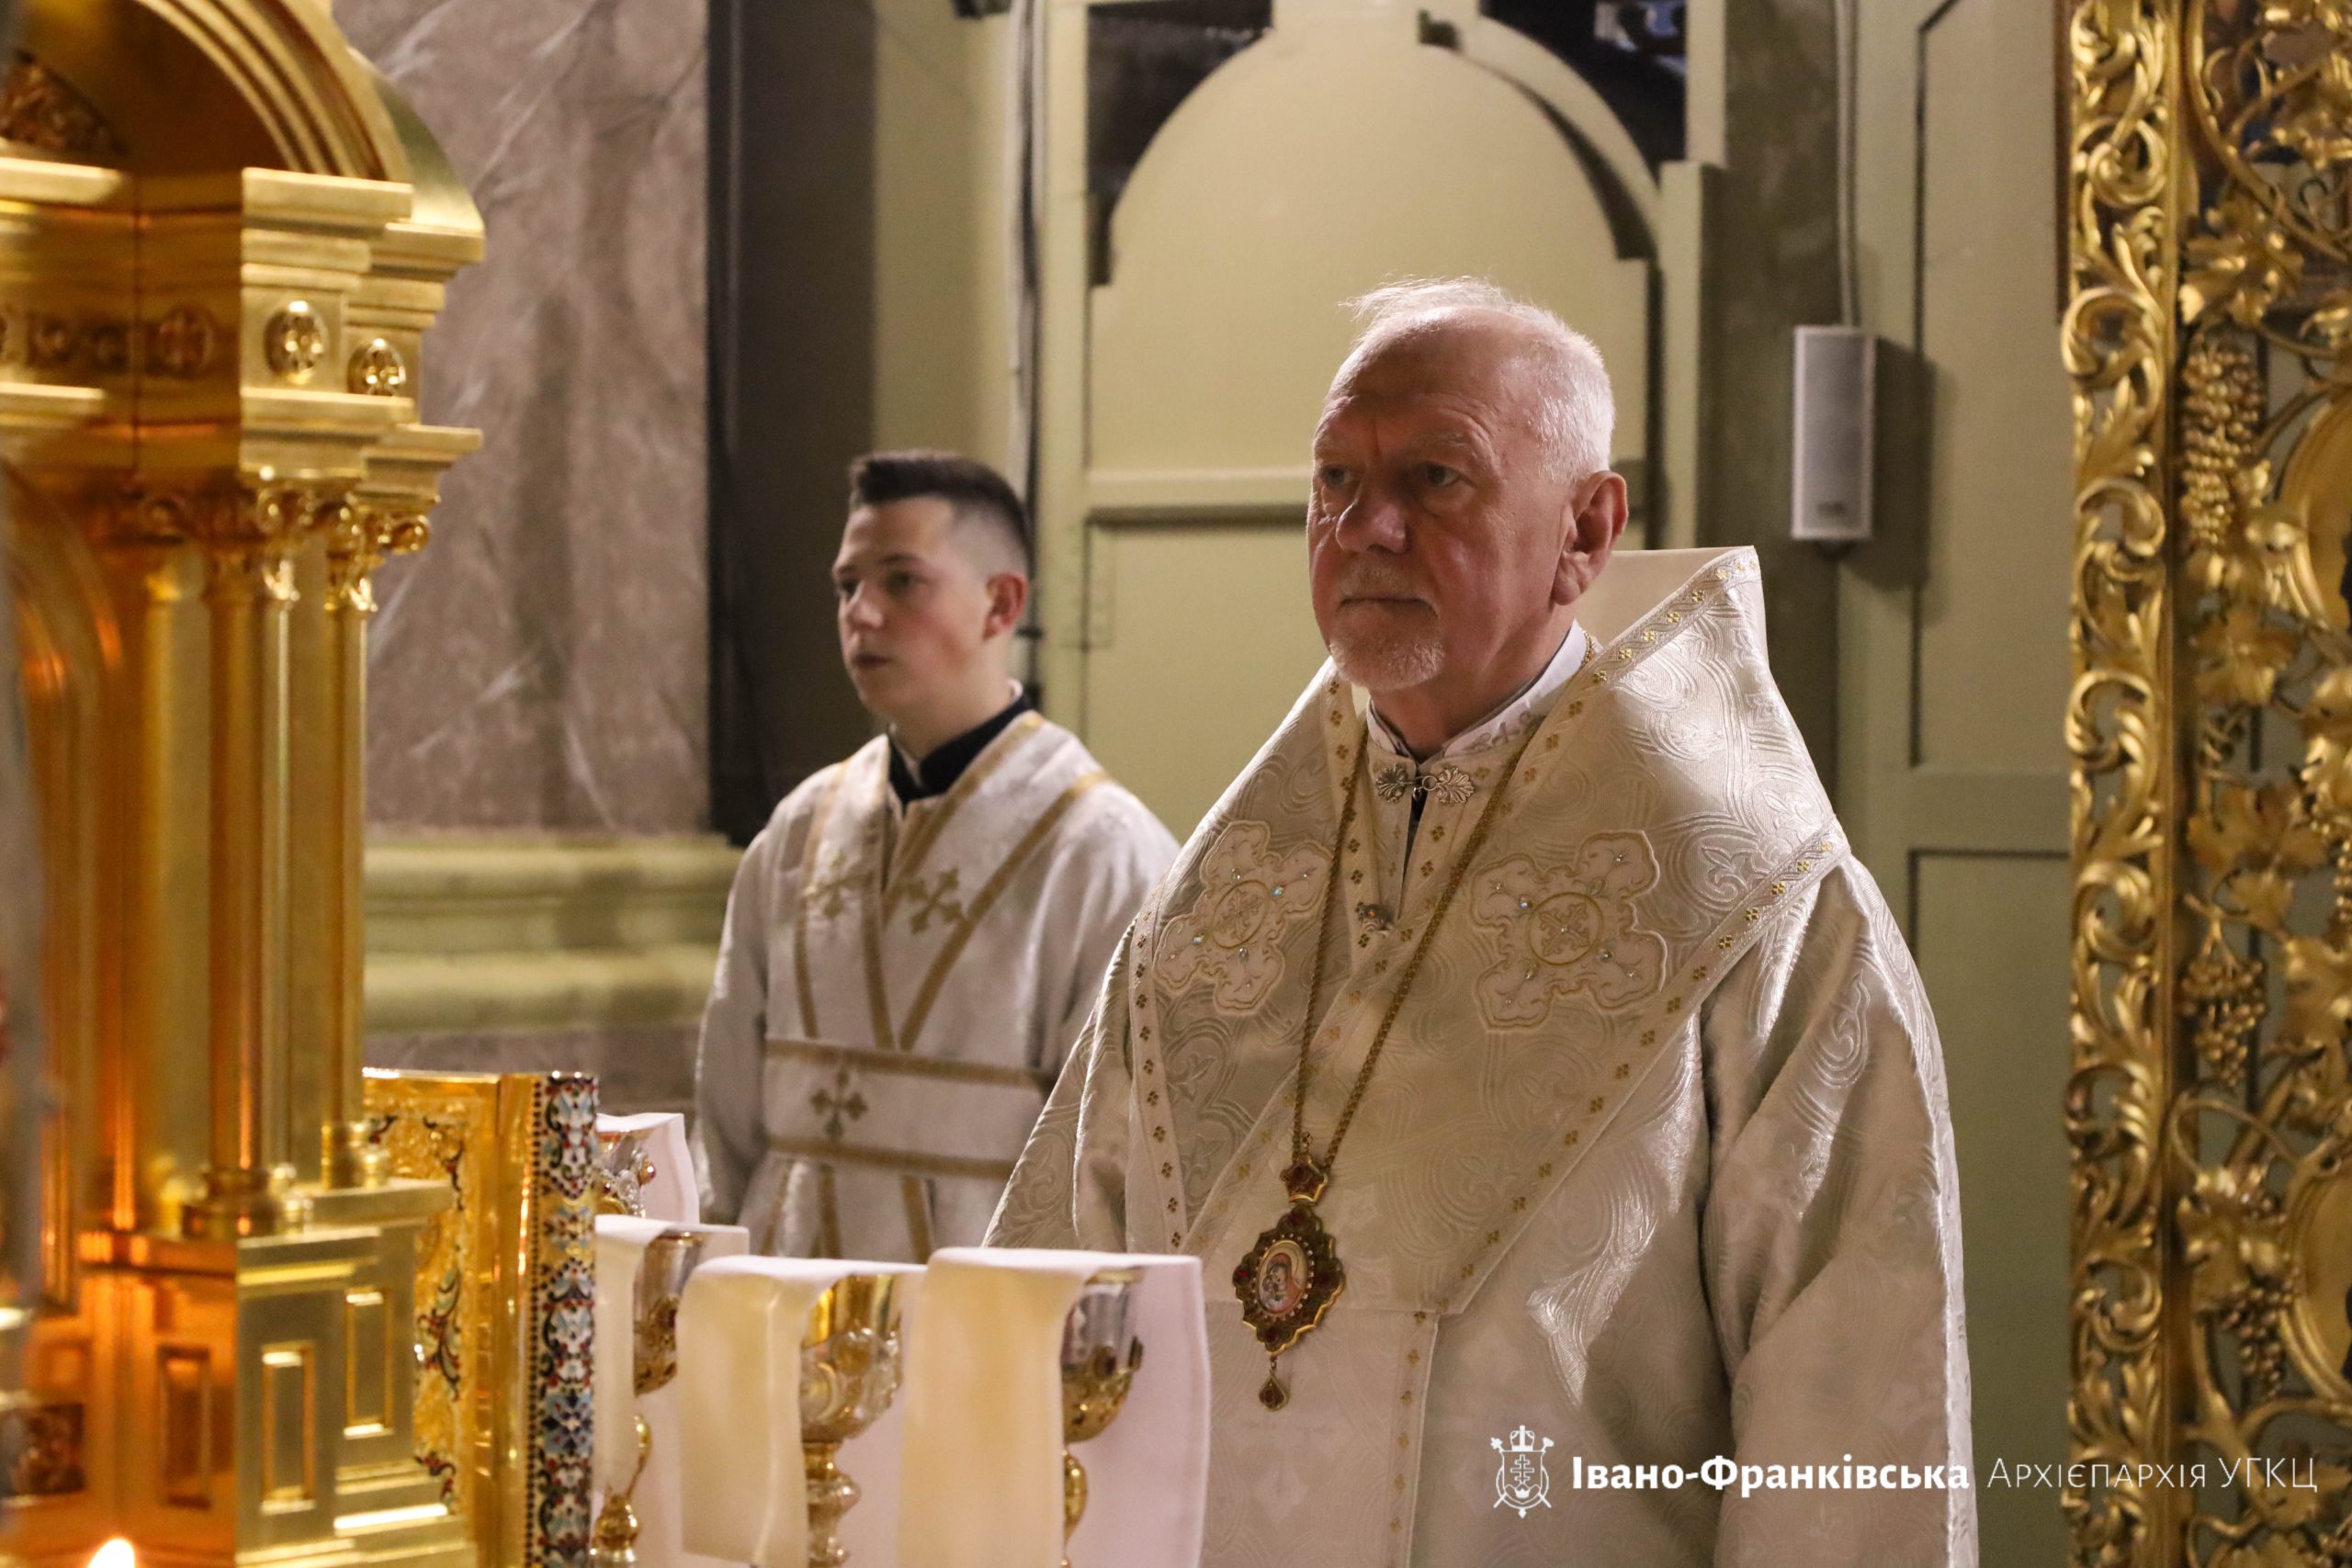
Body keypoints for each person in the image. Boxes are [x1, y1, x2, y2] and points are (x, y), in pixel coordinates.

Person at [989, 281, 1974, 1564]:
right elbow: (1061, 1301)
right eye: (1334, 478)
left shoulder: (1762, 913)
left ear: (1585, 527)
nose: (1367, 525)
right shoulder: (1214, 900)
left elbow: (1850, 1407)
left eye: (1436, 477)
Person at [695, 451, 1178, 1261]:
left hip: (987, 1326)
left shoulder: (1099, 848)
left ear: (1001, 603)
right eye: (848, 585)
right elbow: (730, 1112)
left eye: (902, 581)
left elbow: (1120, 1152)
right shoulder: (799, 830)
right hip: (782, 1310)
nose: (863, 613)